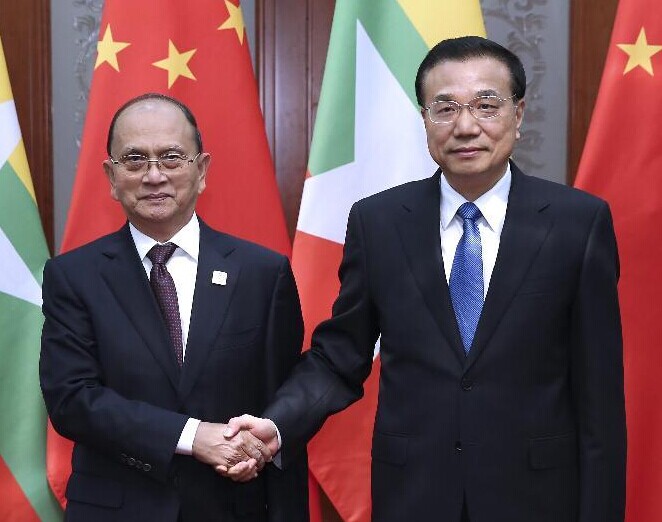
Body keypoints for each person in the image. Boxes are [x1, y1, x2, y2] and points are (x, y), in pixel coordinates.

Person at [224, 36, 626, 522]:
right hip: (414, 496)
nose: (465, 126)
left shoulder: (576, 224)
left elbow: (599, 400)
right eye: (445, 108)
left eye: (486, 105)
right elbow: (341, 355)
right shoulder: (379, 222)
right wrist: (277, 423)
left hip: (537, 498)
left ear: (517, 116)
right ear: (424, 120)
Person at [39, 93, 308, 522]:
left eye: (171, 157)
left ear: (200, 171)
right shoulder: (73, 276)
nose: (153, 176)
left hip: (233, 507)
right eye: (134, 159)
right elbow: (71, 400)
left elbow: (285, 404)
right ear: (111, 176)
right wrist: (191, 436)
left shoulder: (263, 273)